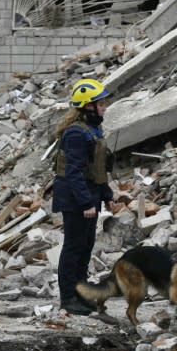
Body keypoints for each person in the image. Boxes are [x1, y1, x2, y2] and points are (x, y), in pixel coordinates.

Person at [52, 78, 114, 315]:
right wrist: (86, 203)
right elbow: (73, 171)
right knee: (74, 248)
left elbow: (97, 167)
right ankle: (68, 298)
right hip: (75, 199)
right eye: (101, 103)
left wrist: (105, 194)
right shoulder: (76, 134)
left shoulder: (92, 130)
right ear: (88, 106)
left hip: (89, 195)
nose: (104, 107)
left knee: (85, 247)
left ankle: (80, 294)